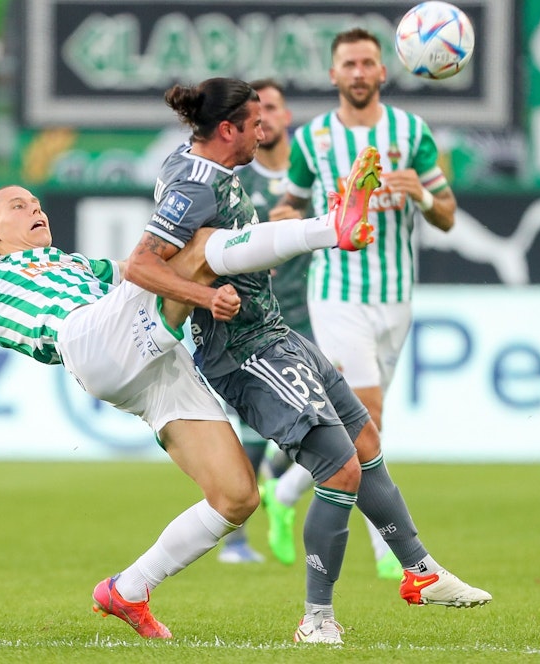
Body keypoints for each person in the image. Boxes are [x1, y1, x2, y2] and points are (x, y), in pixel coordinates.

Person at [0, 175, 374, 638]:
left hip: (153, 367)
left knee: (237, 497)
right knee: (193, 247)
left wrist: (232, 263)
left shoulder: (81, 264)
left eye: (37, 203)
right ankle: (330, 226)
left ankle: (128, 589)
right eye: (18, 207)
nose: (34, 209)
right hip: (88, 343)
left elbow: (159, 270)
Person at [125, 77, 490, 646]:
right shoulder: (194, 187)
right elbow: (141, 265)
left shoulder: (205, 166)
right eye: (253, 122)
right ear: (227, 130)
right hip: (242, 350)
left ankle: (422, 572)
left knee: (365, 442)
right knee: (340, 468)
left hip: (275, 331)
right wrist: (205, 296)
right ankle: (316, 620)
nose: (263, 130)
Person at [266, 26, 467, 600]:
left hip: (397, 296)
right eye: (347, 64)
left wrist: (422, 196)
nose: (357, 72)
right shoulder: (313, 142)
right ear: (333, 75)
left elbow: (448, 214)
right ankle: (398, 554)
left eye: (367, 63)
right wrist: (280, 224)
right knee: (366, 415)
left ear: (384, 71)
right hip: (337, 293)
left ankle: (282, 497)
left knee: (367, 426)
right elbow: (292, 205)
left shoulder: (411, 133)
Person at [222, 78, 403, 580]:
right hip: (263, 325)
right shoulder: (242, 184)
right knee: (266, 431)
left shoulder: (309, 177)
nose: (268, 118)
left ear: (286, 116)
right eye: (260, 111)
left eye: (275, 108)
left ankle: (284, 497)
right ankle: (239, 530)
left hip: (322, 313)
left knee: (351, 426)